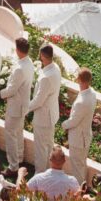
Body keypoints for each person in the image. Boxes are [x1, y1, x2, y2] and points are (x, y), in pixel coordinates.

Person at [1, 37, 35, 179]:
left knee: (10, 134)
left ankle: (13, 166)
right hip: (23, 104)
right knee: (18, 132)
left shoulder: (20, 68)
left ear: (17, 50)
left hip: (16, 106)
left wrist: (1, 94)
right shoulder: (29, 62)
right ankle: (20, 158)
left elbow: (12, 89)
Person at [27, 42, 62, 175]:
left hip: (43, 118)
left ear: (42, 55)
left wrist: (25, 108)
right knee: (48, 146)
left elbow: (38, 101)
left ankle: (40, 175)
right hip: (51, 115)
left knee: (41, 149)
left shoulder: (46, 77)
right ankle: (48, 173)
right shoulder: (56, 68)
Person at [61, 67, 97, 184]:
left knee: (77, 168)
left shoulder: (82, 101)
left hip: (78, 139)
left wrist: (63, 125)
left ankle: (78, 190)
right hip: (85, 136)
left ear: (80, 80)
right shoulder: (92, 93)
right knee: (81, 165)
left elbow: (74, 121)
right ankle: (83, 187)